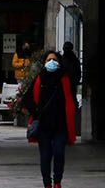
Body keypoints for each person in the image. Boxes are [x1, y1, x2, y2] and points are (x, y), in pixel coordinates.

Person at [22, 49, 76, 188]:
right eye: (48, 60)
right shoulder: (39, 79)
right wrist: (36, 111)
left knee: (59, 153)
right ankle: (47, 183)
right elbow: (27, 99)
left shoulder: (65, 79)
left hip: (60, 124)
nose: (52, 62)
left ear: (59, 62)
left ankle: (57, 181)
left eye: (55, 60)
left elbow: (72, 99)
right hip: (44, 126)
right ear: (44, 63)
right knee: (45, 156)